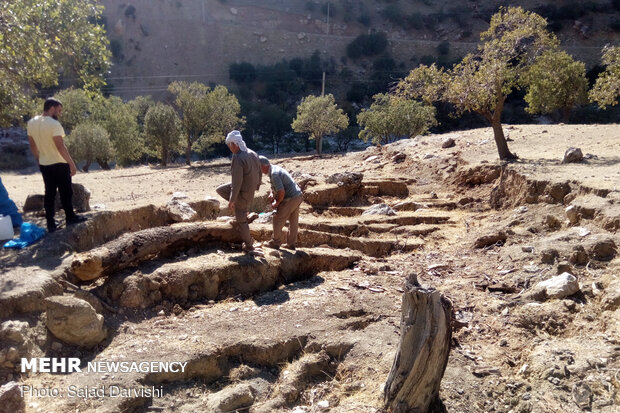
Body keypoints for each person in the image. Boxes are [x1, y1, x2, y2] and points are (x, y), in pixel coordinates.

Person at [27, 97, 86, 232]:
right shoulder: (54, 125)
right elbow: (60, 147)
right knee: (66, 192)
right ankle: (70, 217)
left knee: (49, 193)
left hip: (44, 163)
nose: (59, 114)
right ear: (51, 108)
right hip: (59, 163)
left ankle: (50, 223)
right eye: (58, 110)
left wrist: (38, 158)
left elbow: (32, 144)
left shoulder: (31, 123)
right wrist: (71, 163)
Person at [216, 130, 262, 254]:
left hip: (243, 192)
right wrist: (255, 187)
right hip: (249, 190)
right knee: (220, 189)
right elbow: (259, 172)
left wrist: (232, 200)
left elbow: (236, 182)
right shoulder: (253, 153)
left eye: (229, 145)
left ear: (234, 144)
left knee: (241, 221)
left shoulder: (238, 157)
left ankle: (249, 246)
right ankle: (240, 209)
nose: (229, 148)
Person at [259, 156, 303, 250]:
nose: (260, 171)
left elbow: (281, 192)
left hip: (290, 198)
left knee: (277, 219)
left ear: (263, 166)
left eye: (259, 168)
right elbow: (276, 186)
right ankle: (291, 244)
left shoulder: (274, 174)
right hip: (298, 195)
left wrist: (277, 203)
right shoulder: (275, 169)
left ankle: (275, 242)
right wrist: (272, 193)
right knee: (293, 220)